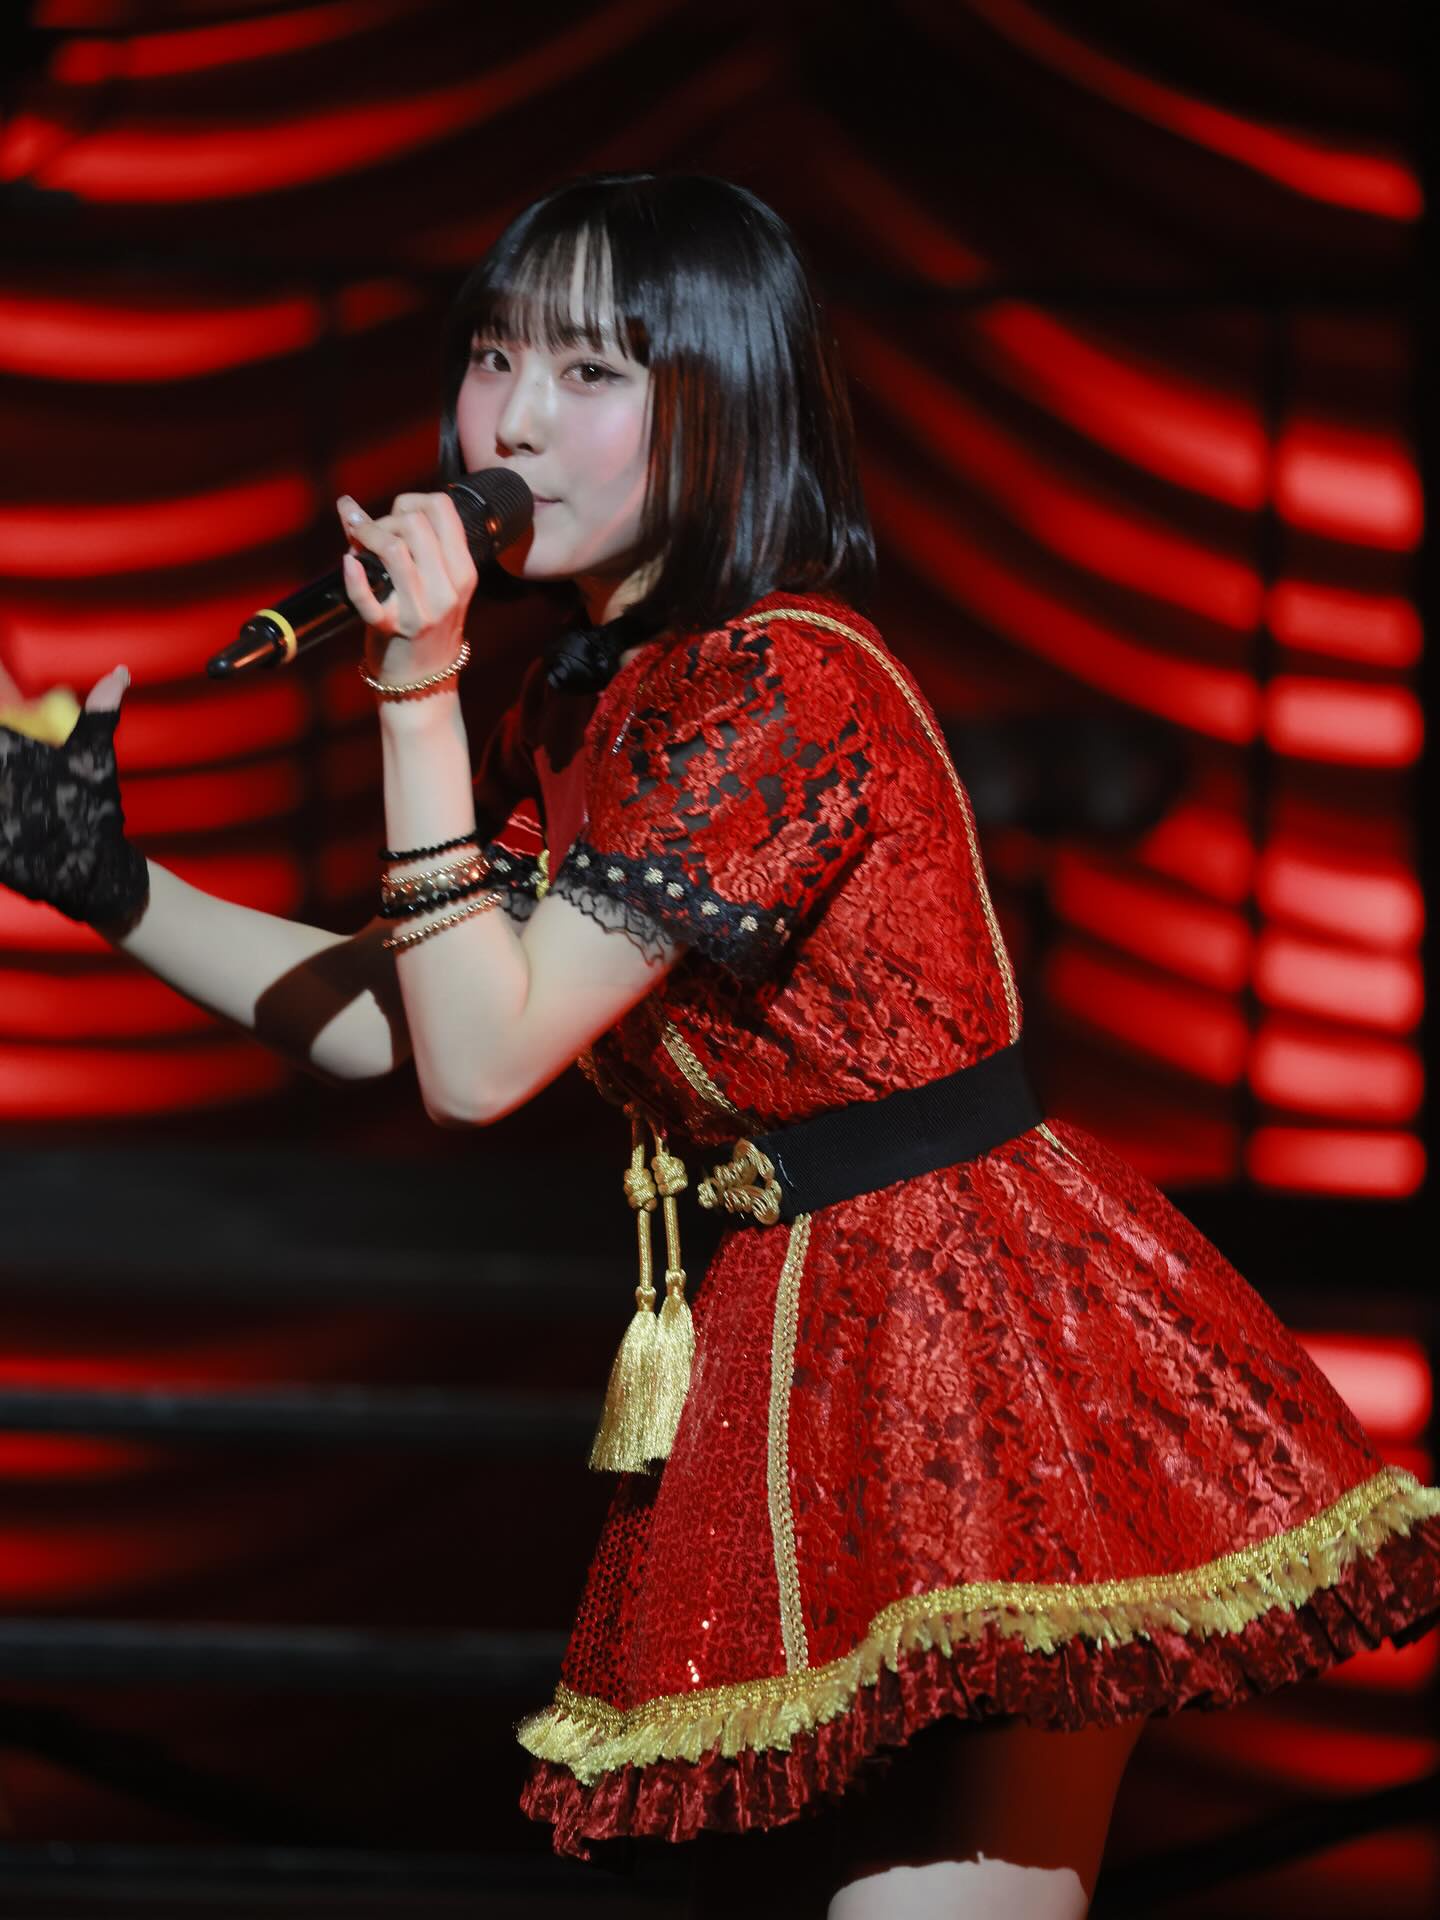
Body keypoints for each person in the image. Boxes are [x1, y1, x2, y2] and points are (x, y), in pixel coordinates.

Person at [2, 172, 1438, 1920]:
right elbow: (408, 1016)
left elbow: (481, 1064)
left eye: (590, 372)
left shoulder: (779, 682)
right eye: (494, 355)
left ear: (726, 403)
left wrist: (413, 688)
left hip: (971, 1348)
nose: (510, 422)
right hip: (828, 1338)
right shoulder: (600, 696)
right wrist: (108, 884)